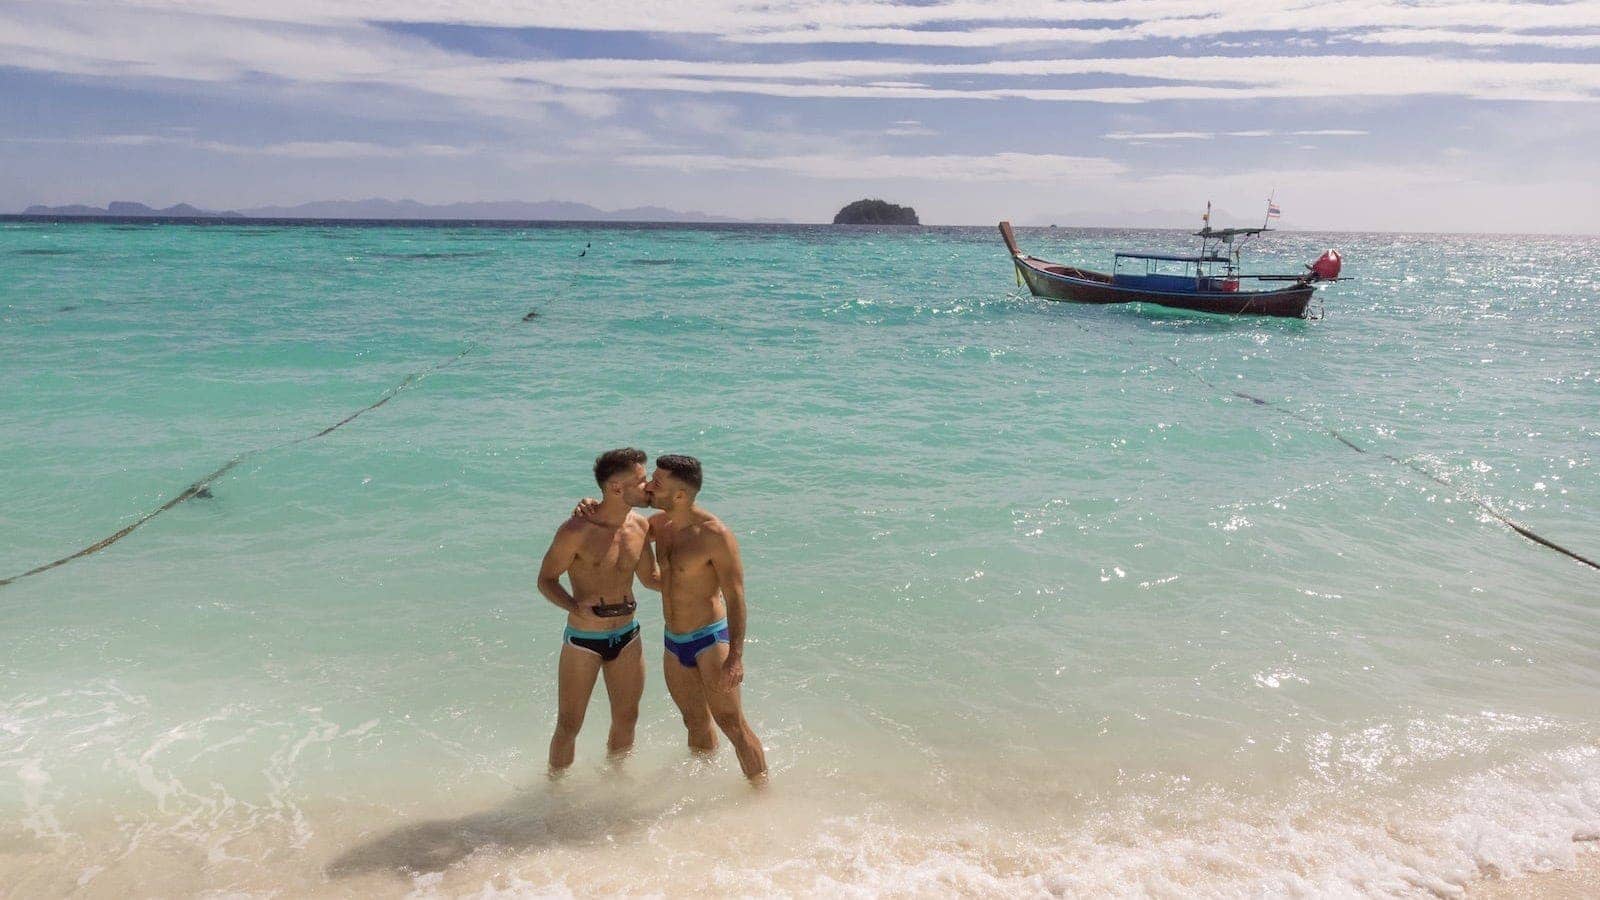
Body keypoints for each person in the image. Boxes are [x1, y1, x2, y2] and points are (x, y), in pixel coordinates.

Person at [536, 448, 658, 773]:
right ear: (617, 488)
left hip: (628, 636)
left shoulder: (640, 527)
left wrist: (703, 580)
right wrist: (574, 606)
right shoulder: (576, 531)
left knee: (627, 718)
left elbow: (651, 578)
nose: (648, 486)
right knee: (569, 724)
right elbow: (546, 580)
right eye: (642, 480)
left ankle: (614, 783)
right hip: (584, 640)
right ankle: (555, 792)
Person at [647, 455, 768, 780]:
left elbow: (736, 598)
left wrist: (736, 657)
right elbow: (619, 518)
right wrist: (590, 503)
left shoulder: (714, 536)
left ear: (680, 496)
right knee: (694, 722)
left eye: (656, 483)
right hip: (674, 642)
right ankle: (702, 790)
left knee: (732, 724)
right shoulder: (658, 525)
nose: (648, 486)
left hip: (709, 641)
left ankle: (762, 799)